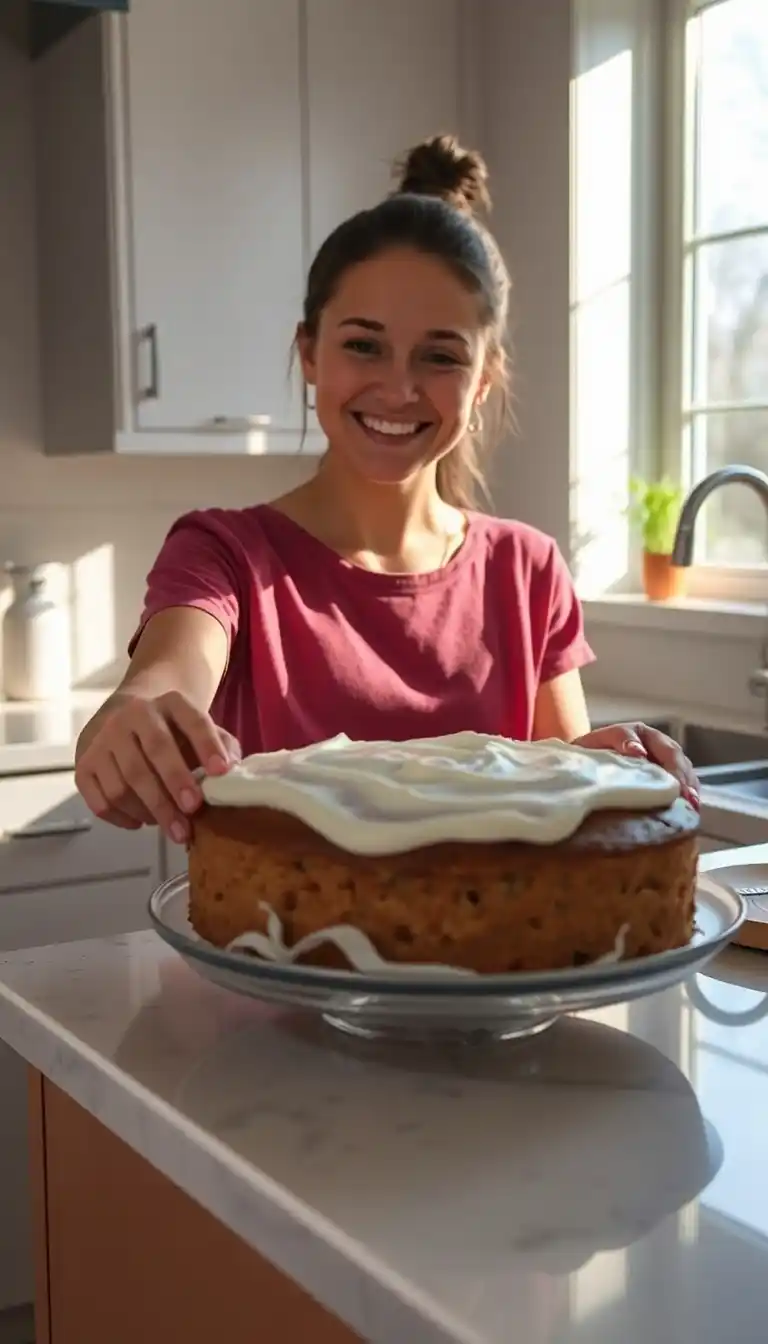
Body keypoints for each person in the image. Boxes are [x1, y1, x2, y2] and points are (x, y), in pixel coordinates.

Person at [74, 135, 698, 846]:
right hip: (272, 951)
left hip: (496, 956)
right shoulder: (226, 554)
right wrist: (131, 718)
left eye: (439, 356)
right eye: (363, 345)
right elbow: (166, 677)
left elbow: (557, 799)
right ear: (309, 352)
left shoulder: (527, 571)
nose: (398, 390)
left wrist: (602, 764)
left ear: (484, 379)